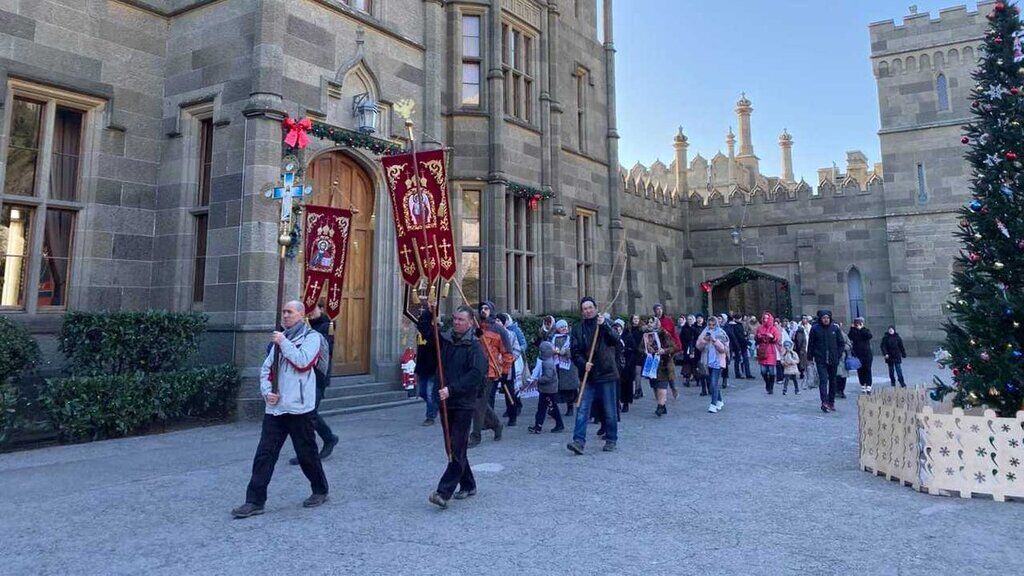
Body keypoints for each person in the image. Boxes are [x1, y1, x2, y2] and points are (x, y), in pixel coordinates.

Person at [232, 300, 329, 519]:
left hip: (299, 408)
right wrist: (267, 393)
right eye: (283, 312)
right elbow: (266, 370)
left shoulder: (311, 338)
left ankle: (320, 489)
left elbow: (303, 362)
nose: (285, 315)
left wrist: (283, 342)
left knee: (307, 454)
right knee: (264, 454)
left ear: (301, 315)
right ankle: (254, 501)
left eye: (290, 312)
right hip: (275, 409)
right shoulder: (279, 339)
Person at [423, 306, 488, 509]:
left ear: (470, 322)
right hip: (445, 401)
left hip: (463, 403)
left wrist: (452, 389)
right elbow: (425, 332)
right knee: (452, 446)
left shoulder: (475, 347)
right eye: (455, 319)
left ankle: (444, 492)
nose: (457, 322)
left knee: (456, 446)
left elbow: (476, 375)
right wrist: (428, 311)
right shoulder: (446, 340)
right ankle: (468, 484)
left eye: (461, 319)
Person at [288, 299, 339, 465]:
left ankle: (323, 442)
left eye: (313, 308)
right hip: (301, 376)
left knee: (308, 415)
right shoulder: (301, 326)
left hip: (317, 377)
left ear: (321, 308)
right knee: (304, 416)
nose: (310, 312)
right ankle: (327, 439)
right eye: (307, 309)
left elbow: (325, 349)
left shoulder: (327, 325)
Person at [567, 297, 620, 455]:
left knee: (609, 409)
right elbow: (575, 352)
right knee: (582, 409)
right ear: (582, 311)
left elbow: (615, 340)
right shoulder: (577, 329)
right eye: (585, 308)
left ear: (596, 308)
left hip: (606, 373)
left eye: (590, 307)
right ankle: (578, 441)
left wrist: (604, 326)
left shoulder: (606, 324)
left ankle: (611, 439)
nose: (588, 311)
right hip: (588, 375)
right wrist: (584, 364)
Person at [469, 301, 507, 447]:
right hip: (475, 370)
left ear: (491, 311)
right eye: (481, 309)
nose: (483, 311)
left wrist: (504, 371)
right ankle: (497, 424)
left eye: (486, 308)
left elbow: (507, 351)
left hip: (490, 371)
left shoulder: (499, 330)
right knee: (477, 402)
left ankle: (476, 435)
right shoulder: (475, 328)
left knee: (479, 404)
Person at [807, 309, 844, 413]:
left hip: (833, 359)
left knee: (833, 381)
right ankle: (824, 402)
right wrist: (810, 357)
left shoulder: (835, 328)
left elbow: (841, 343)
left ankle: (831, 402)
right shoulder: (815, 329)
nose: (826, 320)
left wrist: (838, 354)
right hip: (820, 359)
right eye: (824, 318)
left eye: (827, 318)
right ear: (820, 319)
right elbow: (811, 344)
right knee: (823, 380)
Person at [696, 314, 729, 413]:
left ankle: (713, 404)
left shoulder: (721, 333)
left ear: (716, 324)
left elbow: (724, 349)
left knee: (713, 383)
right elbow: (698, 346)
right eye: (709, 324)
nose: (711, 326)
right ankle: (719, 400)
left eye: (713, 325)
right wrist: (704, 341)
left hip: (718, 362)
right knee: (711, 382)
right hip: (707, 361)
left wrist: (715, 341)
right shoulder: (705, 332)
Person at [496, 313, 526, 424]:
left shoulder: (511, 334)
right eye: (496, 320)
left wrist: (509, 359)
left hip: (507, 367)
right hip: (494, 368)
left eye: (499, 320)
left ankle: (512, 414)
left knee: (509, 391)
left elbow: (517, 349)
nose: (496, 322)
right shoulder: (492, 335)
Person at [644, 318, 677, 417]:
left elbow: (673, 347)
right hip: (651, 364)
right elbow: (641, 348)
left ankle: (660, 406)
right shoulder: (646, 336)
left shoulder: (664, 334)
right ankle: (662, 405)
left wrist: (664, 351)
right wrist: (646, 350)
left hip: (663, 364)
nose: (649, 324)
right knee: (655, 386)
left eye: (652, 322)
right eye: (648, 322)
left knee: (661, 386)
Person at [653, 304, 683, 398]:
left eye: (660, 309)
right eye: (657, 309)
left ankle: (673, 388)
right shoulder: (652, 321)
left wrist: (677, 345)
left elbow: (673, 333)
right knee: (654, 372)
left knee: (669, 370)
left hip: (667, 349)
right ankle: (657, 391)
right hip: (656, 349)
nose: (659, 311)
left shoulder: (668, 320)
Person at [551, 319, 579, 418]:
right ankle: (553, 409)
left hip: (569, 367)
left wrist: (567, 352)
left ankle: (570, 407)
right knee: (556, 388)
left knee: (569, 388)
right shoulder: (553, 338)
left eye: (565, 327)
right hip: (557, 365)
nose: (564, 328)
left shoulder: (571, 338)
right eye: (562, 327)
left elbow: (576, 350)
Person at [414, 328, 440, 427]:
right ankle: (436, 405)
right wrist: (417, 370)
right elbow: (419, 354)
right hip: (423, 369)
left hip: (433, 370)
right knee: (422, 393)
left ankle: (430, 416)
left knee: (429, 394)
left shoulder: (436, 335)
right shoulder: (421, 336)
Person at [755, 312, 782, 394]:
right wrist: (758, 337)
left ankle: (771, 387)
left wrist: (772, 337)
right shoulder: (760, 328)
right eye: (764, 318)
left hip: (771, 350)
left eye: (767, 318)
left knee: (771, 371)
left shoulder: (774, 329)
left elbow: (777, 339)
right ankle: (767, 383)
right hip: (762, 350)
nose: (765, 320)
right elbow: (756, 338)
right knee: (763, 371)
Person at [614, 319, 635, 413]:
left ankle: (626, 403)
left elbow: (633, 349)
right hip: (615, 362)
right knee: (616, 384)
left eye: (618, 326)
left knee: (626, 384)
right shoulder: (612, 335)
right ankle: (617, 402)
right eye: (615, 326)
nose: (617, 328)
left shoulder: (628, 335)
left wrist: (625, 350)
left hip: (627, 362)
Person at [848, 317, 874, 395]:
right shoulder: (853, 331)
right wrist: (852, 328)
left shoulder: (866, 330)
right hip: (858, 354)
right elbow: (849, 337)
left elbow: (869, 336)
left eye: (859, 323)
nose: (858, 325)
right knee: (860, 370)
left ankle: (869, 386)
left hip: (867, 354)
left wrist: (861, 329)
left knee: (868, 369)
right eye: (857, 323)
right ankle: (862, 384)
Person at [727, 314, 753, 379]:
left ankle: (739, 374)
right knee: (744, 360)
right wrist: (747, 342)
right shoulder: (738, 326)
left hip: (738, 345)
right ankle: (746, 374)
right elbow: (740, 337)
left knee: (738, 360)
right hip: (741, 345)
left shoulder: (733, 326)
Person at [627, 315, 646, 400]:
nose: (636, 320)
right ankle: (640, 389)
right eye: (634, 319)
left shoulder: (641, 329)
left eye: (637, 319)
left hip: (639, 353)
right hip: (631, 353)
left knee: (637, 372)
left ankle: (637, 390)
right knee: (634, 373)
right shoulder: (628, 329)